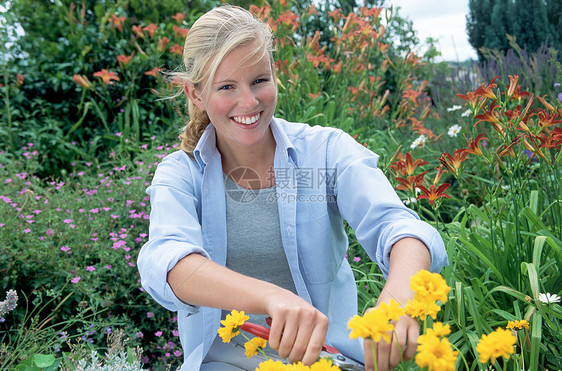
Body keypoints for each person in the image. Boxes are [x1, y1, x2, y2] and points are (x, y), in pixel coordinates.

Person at [137, 5, 448, 371]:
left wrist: (397, 302)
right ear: (195, 94)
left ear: (274, 74)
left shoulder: (326, 151)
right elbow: (168, 264)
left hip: (331, 362)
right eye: (226, 87)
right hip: (225, 363)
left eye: (259, 81)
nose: (249, 102)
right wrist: (271, 298)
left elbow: (402, 228)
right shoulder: (180, 174)